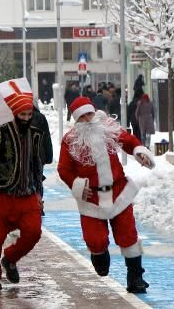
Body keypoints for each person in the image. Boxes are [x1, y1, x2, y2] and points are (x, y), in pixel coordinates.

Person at [58, 97, 155, 294]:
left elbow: (128, 141)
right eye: (82, 117)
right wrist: (77, 185)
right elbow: (64, 169)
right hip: (91, 198)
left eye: (89, 114)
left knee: (128, 236)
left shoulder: (108, 128)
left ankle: (135, 277)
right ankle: (99, 255)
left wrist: (139, 152)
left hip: (119, 192)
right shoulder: (70, 140)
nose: (88, 119)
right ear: (76, 120)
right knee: (95, 240)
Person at [0, 78, 44, 290]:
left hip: (28, 195)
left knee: (33, 233)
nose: (25, 119)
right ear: (14, 114)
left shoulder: (35, 135)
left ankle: (10, 258)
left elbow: (37, 166)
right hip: (1, 195)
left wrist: (40, 194)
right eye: (22, 115)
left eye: (28, 115)